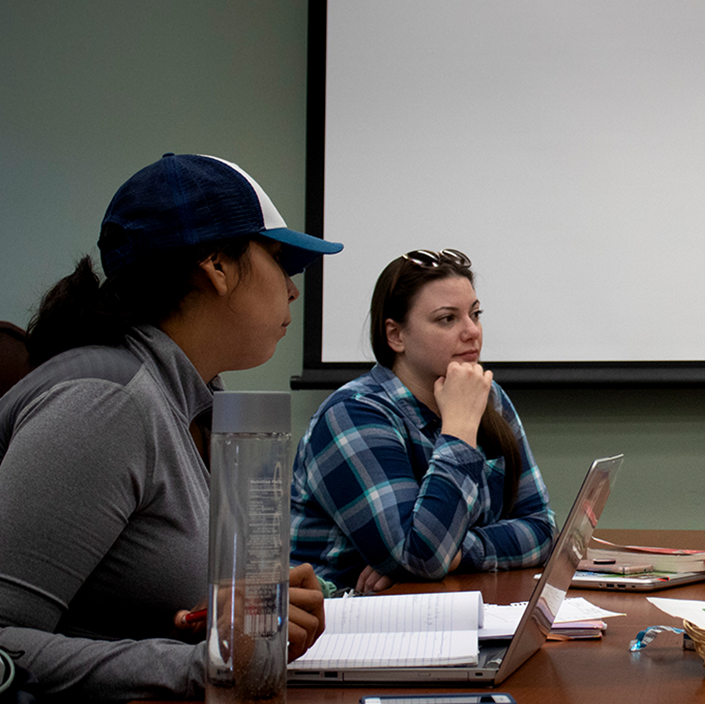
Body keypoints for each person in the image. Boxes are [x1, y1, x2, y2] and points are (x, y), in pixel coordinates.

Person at [0, 154, 340, 700]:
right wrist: (203, 662)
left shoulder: (195, 398)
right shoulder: (105, 403)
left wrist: (227, 621)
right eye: (281, 260)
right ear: (217, 267)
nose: (294, 290)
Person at [290, 249, 555, 591]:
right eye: (448, 319)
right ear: (396, 336)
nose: (472, 331)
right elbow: (420, 556)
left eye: (475, 314)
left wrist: (457, 554)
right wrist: (458, 429)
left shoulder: (488, 398)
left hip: (440, 606)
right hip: (339, 625)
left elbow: (543, 529)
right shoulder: (353, 414)